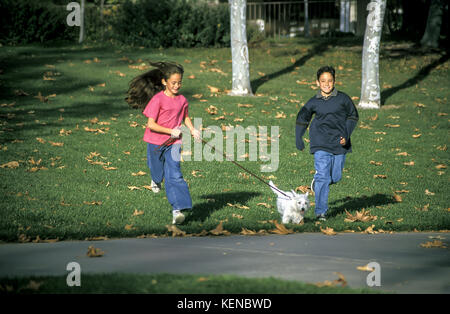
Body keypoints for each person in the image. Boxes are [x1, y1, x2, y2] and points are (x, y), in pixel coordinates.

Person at [126, 61, 200, 225]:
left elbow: (185, 116)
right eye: (173, 83)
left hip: (173, 143)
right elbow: (151, 125)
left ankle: (177, 210)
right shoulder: (157, 100)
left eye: (179, 82)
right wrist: (170, 131)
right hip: (155, 142)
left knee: (174, 174)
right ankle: (155, 179)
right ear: (164, 82)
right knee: (157, 171)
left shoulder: (182, 100)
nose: (177, 86)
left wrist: (193, 130)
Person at [295, 66, 358, 221]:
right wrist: (299, 137)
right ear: (317, 82)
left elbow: (353, 116)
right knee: (323, 175)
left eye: (330, 81)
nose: (327, 84)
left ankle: (317, 184)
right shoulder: (314, 101)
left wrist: (346, 134)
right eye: (323, 81)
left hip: (339, 143)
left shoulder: (343, 99)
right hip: (320, 142)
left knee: (335, 177)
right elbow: (302, 118)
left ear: (334, 81)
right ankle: (320, 212)